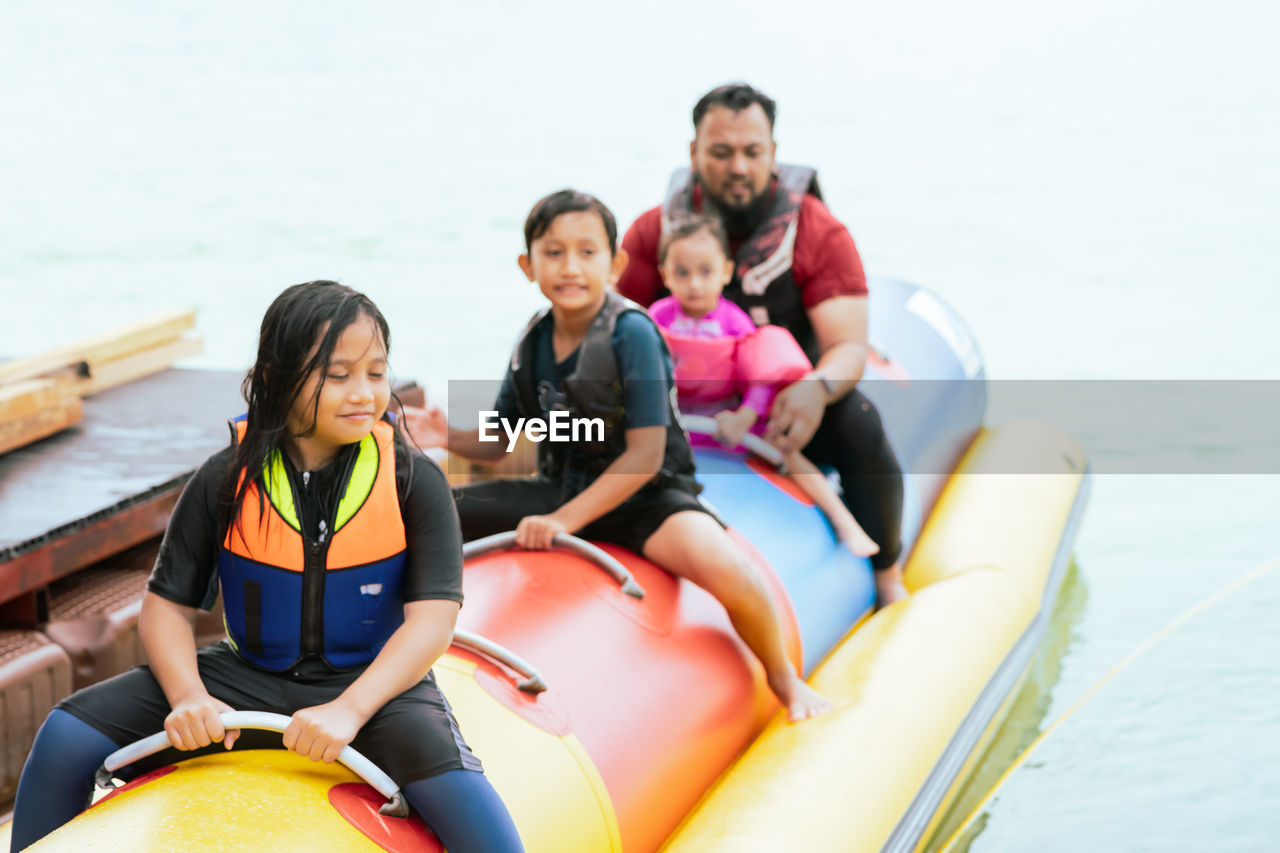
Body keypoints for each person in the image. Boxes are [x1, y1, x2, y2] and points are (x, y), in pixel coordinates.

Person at [10, 281, 524, 853]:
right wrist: (188, 698)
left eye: (376, 373)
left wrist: (349, 711)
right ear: (281, 375)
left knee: (484, 831)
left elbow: (432, 622)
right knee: (65, 734)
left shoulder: (412, 480)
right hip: (243, 676)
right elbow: (166, 608)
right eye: (338, 374)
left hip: (374, 690)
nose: (364, 393)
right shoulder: (225, 476)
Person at [439, 189, 831, 722]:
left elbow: (645, 455)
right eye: (553, 254)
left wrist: (562, 522)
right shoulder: (533, 338)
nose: (570, 267)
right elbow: (505, 435)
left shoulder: (633, 333)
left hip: (648, 500)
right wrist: (443, 434)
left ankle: (784, 678)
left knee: (729, 569)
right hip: (566, 484)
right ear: (527, 266)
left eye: (587, 252)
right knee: (440, 510)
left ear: (616, 263)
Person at [616, 82, 908, 606]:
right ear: (693, 153)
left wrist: (816, 390)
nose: (738, 167)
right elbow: (609, 330)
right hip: (683, 411)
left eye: (752, 152)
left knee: (860, 424)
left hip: (780, 406)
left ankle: (886, 571)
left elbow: (848, 346)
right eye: (721, 152)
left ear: (773, 153)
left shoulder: (818, 233)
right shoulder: (654, 232)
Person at [651, 213, 879, 559]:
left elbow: (760, 375)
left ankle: (844, 521)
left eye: (705, 272)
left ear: (725, 272)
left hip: (730, 420)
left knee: (790, 454)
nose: (695, 284)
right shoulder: (657, 317)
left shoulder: (734, 322)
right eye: (682, 273)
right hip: (677, 421)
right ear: (665, 273)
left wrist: (744, 416)